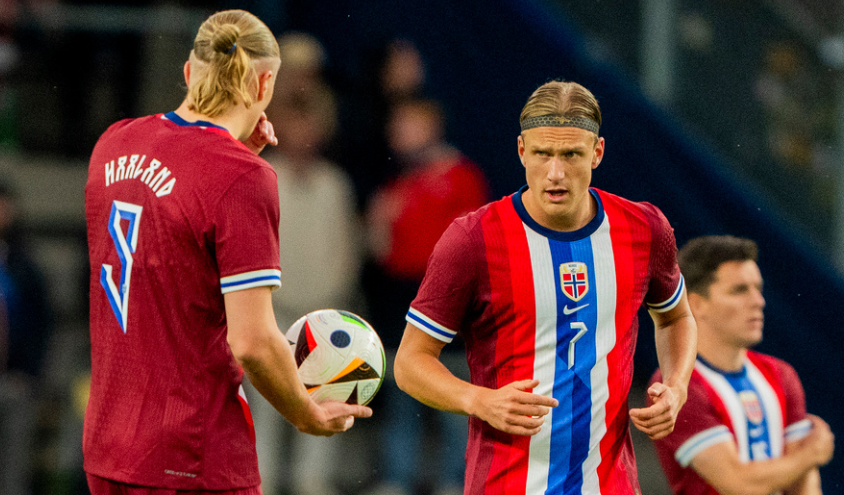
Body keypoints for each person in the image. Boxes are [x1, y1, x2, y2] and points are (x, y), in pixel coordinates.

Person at [83, 10, 370, 494]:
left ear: (189, 72)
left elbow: (179, 223)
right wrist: (307, 413)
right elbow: (253, 342)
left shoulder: (114, 142)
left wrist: (239, 156)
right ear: (264, 85)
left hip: (109, 447)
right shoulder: (240, 178)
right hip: (191, 453)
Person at [393, 80, 698, 495]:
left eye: (571, 154)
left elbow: (676, 317)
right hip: (504, 484)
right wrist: (478, 400)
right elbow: (410, 363)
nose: (555, 172)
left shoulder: (644, 229)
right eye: (542, 154)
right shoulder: (473, 240)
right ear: (522, 151)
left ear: (597, 152)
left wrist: (677, 386)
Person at [249, 32, 364, 495]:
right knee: (267, 410)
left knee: (327, 406)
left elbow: (345, 250)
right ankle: (260, 484)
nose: (302, 133)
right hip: (271, 314)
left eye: (311, 124)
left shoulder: (335, 185)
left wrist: (331, 303)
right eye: (292, 124)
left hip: (322, 316)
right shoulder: (262, 176)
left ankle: (313, 484)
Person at [364, 97, 489, 495]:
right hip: (400, 302)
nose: (395, 132)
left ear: (430, 127)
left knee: (454, 395)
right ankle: (396, 479)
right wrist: (377, 220)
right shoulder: (396, 183)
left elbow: (473, 251)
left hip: (450, 305)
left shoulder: (463, 177)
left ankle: (456, 480)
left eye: (406, 124)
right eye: (395, 124)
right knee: (401, 392)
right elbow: (382, 251)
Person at [649, 235, 834, 495]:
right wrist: (812, 454)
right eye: (739, 290)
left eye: (758, 288)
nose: (758, 301)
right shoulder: (675, 386)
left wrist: (804, 463)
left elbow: (804, 484)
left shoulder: (781, 374)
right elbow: (737, 484)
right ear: (695, 304)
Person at [0, 181, 53, 495]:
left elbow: (42, 322)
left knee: (14, 469)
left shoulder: (24, 266)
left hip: (15, 380)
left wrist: (30, 372)